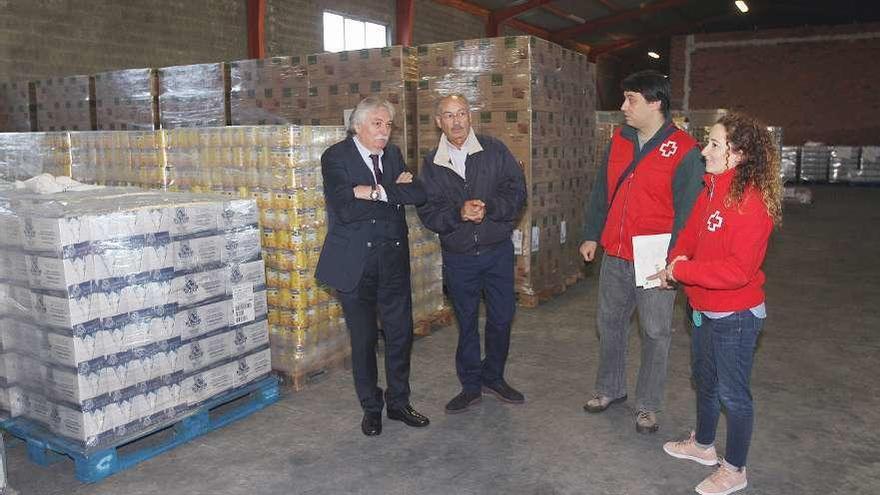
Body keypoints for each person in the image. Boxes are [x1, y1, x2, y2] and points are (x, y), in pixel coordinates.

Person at [655, 113, 781, 495]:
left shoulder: (752, 202)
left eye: (713, 144)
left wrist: (683, 272)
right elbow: (690, 234)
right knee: (705, 381)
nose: (703, 150)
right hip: (703, 308)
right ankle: (703, 445)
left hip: (736, 316)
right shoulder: (712, 187)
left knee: (733, 393)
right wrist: (675, 260)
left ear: (738, 154)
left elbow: (738, 271)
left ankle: (735, 468)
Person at [579, 70, 704, 433]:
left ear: (655, 103)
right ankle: (609, 389)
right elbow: (602, 191)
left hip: (656, 258)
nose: (623, 107)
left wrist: (675, 261)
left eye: (631, 99)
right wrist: (591, 234)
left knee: (654, 332)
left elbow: (688, 212)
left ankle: (648, 404)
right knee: (610, 324)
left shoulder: (685, 150)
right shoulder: (620, 139)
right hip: (616, 252)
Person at [315, 96, 429, 437]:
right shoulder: (336, 156)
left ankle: (399, 402)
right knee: (364, 341)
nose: (384, 131)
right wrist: (393, 191)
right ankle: (371, 408)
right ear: (358, 126)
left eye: (388, 125)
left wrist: (371, 192)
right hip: (356, 266)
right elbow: (344, 208)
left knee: (400, 335)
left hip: (393, 261)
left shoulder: (391, 155)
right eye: (377, 124)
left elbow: (418, 194)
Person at [416, 94, 527, 414]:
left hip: (496, 251)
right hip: (459, 256)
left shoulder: (494, 150)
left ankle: (493, 376)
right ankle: (470, 386)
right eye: (449, 116)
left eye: (462, 113)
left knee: (502, 317)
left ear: (470, 116)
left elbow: (516, 192)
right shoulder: (431, 163)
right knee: (466, 322)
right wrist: (459, 213)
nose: (457, 121)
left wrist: (489, 208)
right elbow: (429, 211)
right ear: (439, 122)